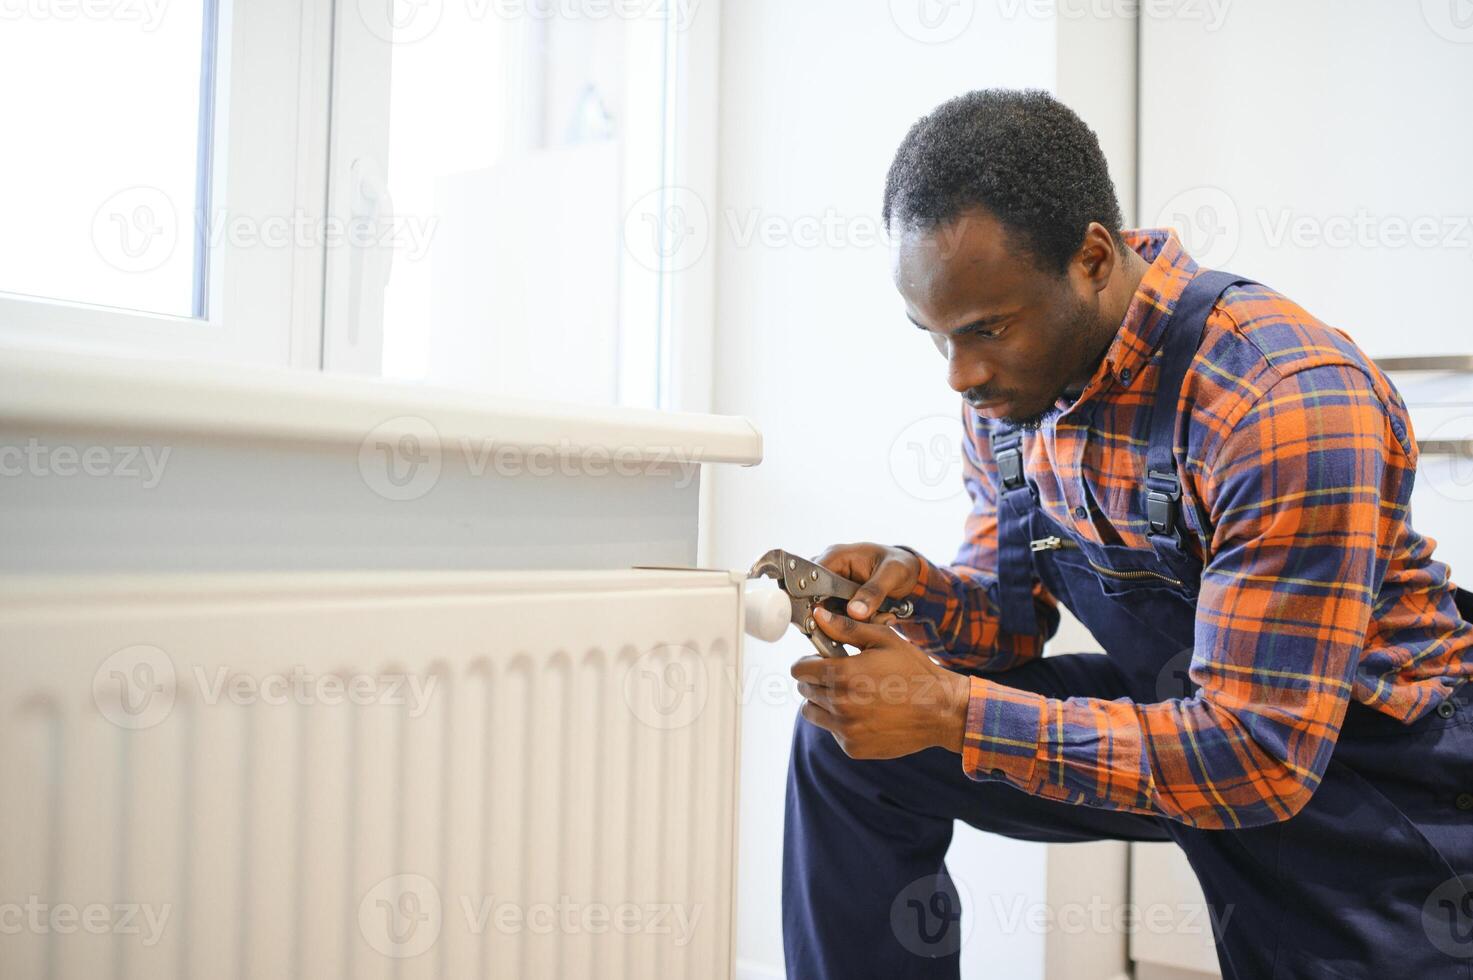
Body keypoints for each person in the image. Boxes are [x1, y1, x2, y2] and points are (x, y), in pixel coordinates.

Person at [784, 88, 1473, 979]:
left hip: (1363, 772)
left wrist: (952, 711)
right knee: (847, 740)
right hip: (1186, 702)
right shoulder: (1008, 393)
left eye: (985, 329)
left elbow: (1261, 756)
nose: (960, 373)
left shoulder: (1277, 396)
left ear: (1092, 258)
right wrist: (910, 587)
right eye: (935, 337)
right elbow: (1008, 623)